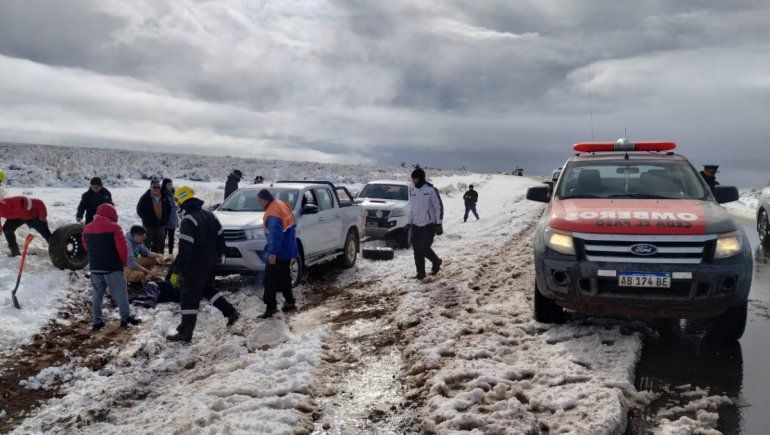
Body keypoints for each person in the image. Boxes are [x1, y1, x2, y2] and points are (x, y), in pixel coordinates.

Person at [166, 186, 239, 343]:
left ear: (182, 201)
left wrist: (176, 270)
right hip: (210, 263)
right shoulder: (210, 215)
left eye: (178, 201)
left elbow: (185, 250)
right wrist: (219, 256)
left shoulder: (188, 220)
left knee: (189, 297)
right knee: (207, 289)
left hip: (194, 265)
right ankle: (230, 312)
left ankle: (185, 333)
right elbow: (221, 237)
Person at [82, 204, 141, 330]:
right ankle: (125, 318)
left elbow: (86, 246)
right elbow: (123, 249)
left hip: (95, 268)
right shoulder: (114, 228)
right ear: (111, 214)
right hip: (112, 267)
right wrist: (123, 263)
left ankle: (96, 321)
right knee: (120, 294)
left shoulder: (87, 228)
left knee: (97, 295)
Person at [257, 189, 298, 319]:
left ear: (264, 199)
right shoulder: (281, 204)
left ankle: (271, 307)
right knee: (285, 276)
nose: (259, 203)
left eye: (260, 200)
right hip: (288, 248)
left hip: (278, 251)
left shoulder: (272, 212)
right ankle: (290, 301)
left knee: (269, 279)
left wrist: (273, 252)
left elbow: (276, 234)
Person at [408, 167, 444, 280]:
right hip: (416, 225)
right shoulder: (413, 191)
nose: (414, 181)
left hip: (429, 225)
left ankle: (436, 261)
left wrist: (439, 223)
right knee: (417, 250)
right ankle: (420, 273)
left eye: (415, 179)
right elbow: (412, 208)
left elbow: (438, 207)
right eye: (413, 179)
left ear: (421, 178)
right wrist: (410, 222)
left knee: (424, 248)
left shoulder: (431, 190)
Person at [136, 177, 172, 253]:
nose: (156, 189)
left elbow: (169, 209)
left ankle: (154, 261)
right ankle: (145, 262)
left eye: (158, 187)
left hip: (160, 226)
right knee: (146, 245)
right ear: (150, 187)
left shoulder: (164, 196)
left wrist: (165, 220)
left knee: (158, 245)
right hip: (148, 226)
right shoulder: (145, 197)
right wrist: (147, 220)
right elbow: (139, 210)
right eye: (154, 187)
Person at [162, 178, 179, 255]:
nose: (170, 186)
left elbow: (177, 205)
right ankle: (161, 253)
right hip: (165, 219)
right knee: (163, 237)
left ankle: (171, 253)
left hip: (173, 218)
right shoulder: (162, 193)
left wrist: (178, 206)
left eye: (171, 184)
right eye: (168, 184)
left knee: (171, 237)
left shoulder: (174, 193)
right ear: (164, 185)